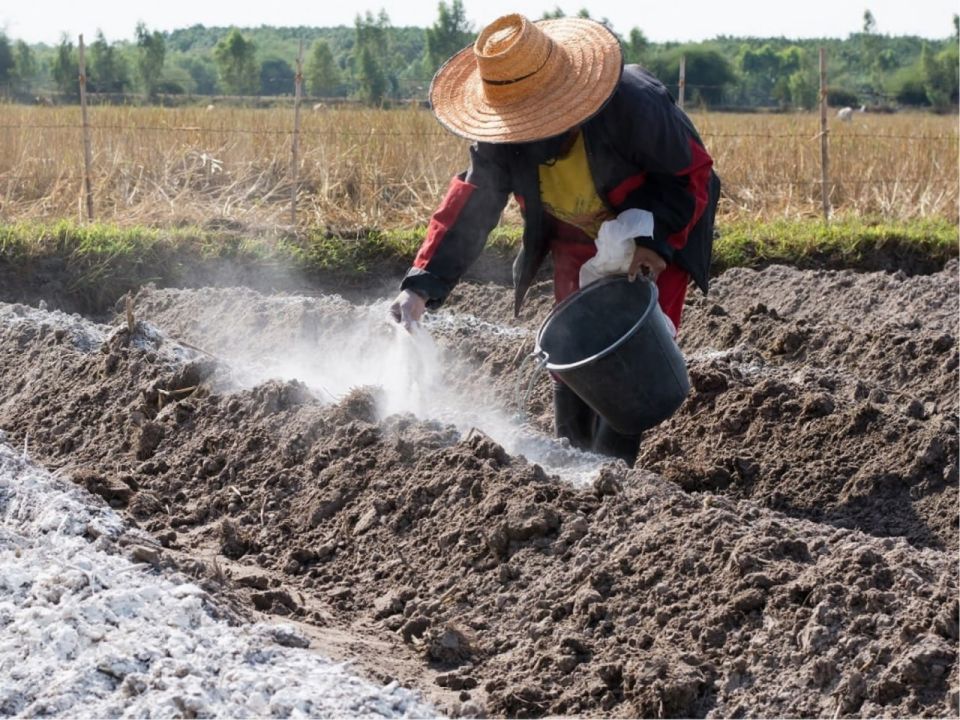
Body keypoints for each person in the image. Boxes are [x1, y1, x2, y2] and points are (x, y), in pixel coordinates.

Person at [390, 13, 720, 466]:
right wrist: (421, 285)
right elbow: (473, 205)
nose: (528, 133)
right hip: (575, 238)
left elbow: (688, 176)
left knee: (627, 358)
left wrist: (654, 242)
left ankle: (613, 478)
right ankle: (571, 468)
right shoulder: (500, 137)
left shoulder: (633, 105)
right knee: (572, 353)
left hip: (654, 228)